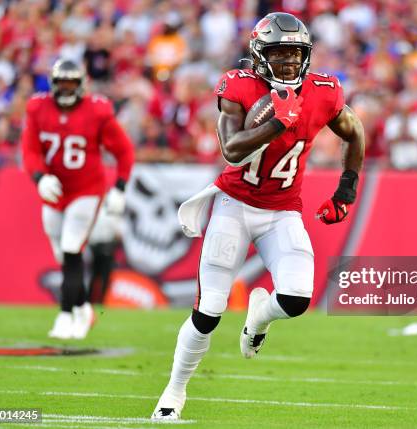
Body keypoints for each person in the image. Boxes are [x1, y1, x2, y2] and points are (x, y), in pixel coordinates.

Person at [152, 12, 365, 421]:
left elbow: (354, 132)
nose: (287, 62)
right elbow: (231, 149)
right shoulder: (239, 86)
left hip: (282, 211)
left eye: (294, 53)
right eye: (279, 53)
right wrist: (278, 123)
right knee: (209, 309)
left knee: (297, 298)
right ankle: (174, 391)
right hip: (234, 205)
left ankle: (258, 319)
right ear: (258, 53)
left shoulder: (323, 91)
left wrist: (347, 188)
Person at [21, 59, 134, 339]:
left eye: (72, 82)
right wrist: (39, 178)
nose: (67, 88)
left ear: (82, 84)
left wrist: (119, 187)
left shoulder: (97, 110)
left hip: (86, 189)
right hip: (55, 190)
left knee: (72, 248)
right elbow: (30, 151)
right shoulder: (38, 108)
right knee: (64, 256)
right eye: (62, 83)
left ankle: (65, 314)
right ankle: (83, 308)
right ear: (53, 84)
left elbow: (124, 151)